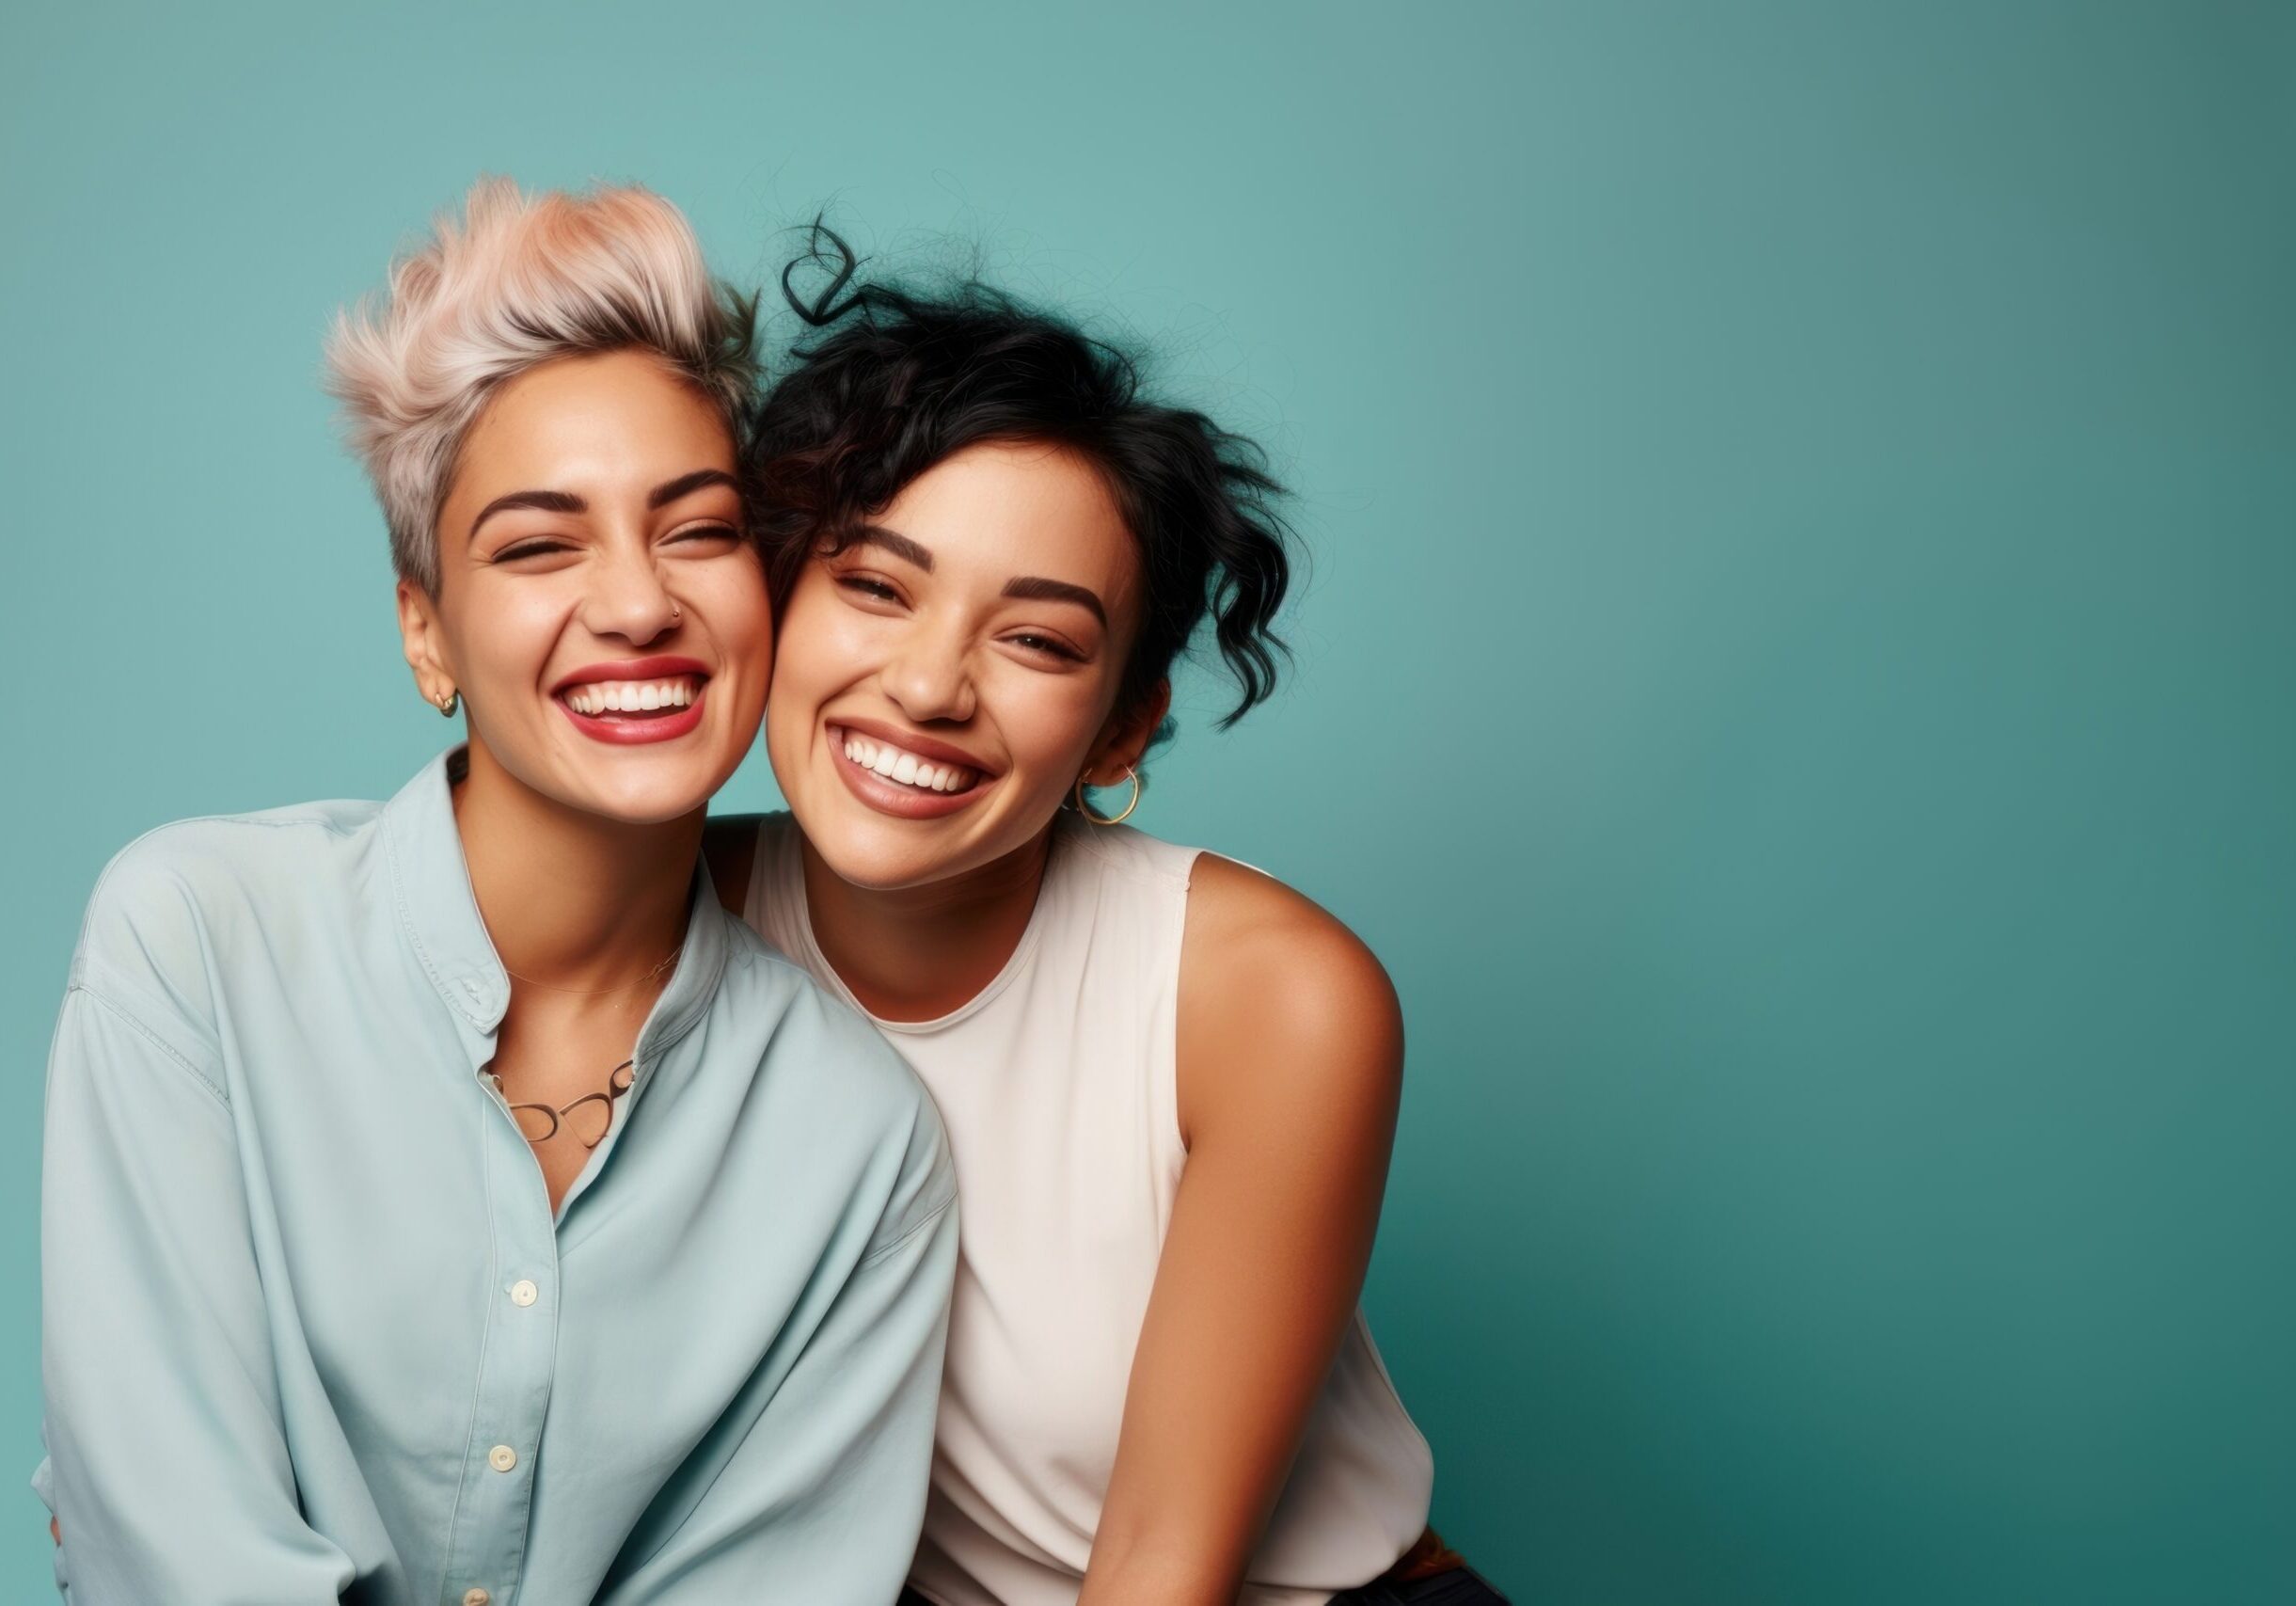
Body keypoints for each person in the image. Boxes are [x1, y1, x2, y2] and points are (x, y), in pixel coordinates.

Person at [37, 183, 957, 1605]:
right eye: (537, 545)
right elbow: (174, 1546)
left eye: (699, 530)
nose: (638, 603)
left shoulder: (857, 1144)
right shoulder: (200, 940)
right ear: (426, 628)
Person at [707, 235, 1506, 1606]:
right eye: (876, 586)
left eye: (1037, 640)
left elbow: (1158, 1569)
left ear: (1120, 725)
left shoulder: (1263, 994)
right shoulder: (668, 916)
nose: (928, 687)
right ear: (773, 601)